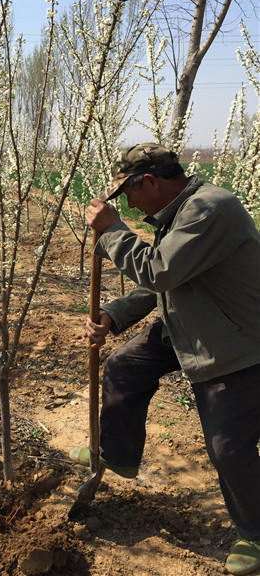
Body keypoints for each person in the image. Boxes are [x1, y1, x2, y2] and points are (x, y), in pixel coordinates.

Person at [68, 143, 260, 575]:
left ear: (151, 181)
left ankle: (256, 531)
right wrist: (113, 315)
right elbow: (162, 283)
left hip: (236, 343)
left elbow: (160, 271)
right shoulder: (180, 214)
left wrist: (114, 230)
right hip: (189, 325)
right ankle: (118, 452)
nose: (130, 205)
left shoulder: (210, 209)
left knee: (229, 449)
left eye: (130, 193)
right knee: (125, 367)